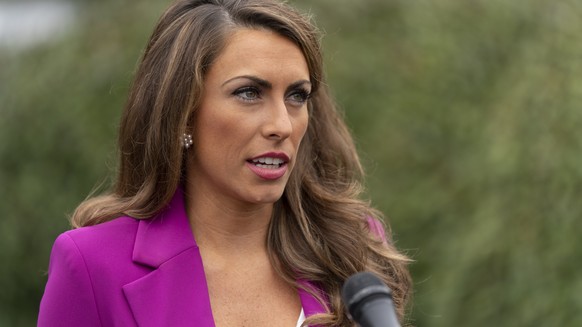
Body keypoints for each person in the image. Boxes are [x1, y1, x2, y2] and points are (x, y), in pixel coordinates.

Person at [38, 0, 412, 326]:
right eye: (249, 93)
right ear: (183, 114)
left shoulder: (352, 248)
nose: (282, 125)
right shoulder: (92, 265)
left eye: (297, 96)